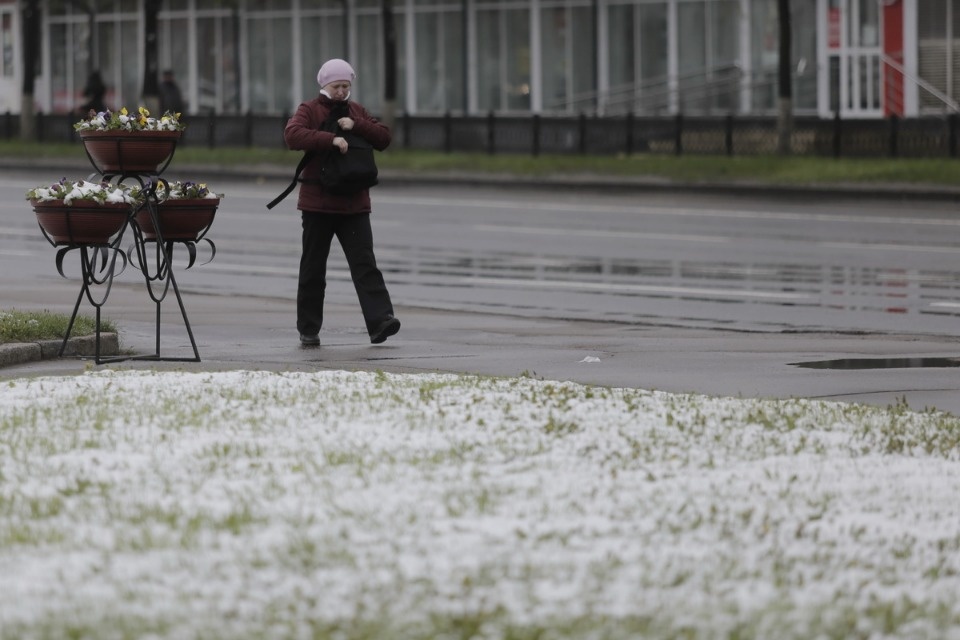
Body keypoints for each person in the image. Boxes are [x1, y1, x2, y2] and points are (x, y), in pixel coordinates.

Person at [282, 58, 399, 347]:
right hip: (318, 204)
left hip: (354, 204)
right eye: (336, 86)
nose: (341, 91)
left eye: (346, 86)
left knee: (365, 264)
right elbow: (292, 135)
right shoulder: (309, 109)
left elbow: (383, 138)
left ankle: (381, 321)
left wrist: (356, 125)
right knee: (313, 267)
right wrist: (330, 139)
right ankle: (308, 328)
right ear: (325, 85)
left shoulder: (356, 111)